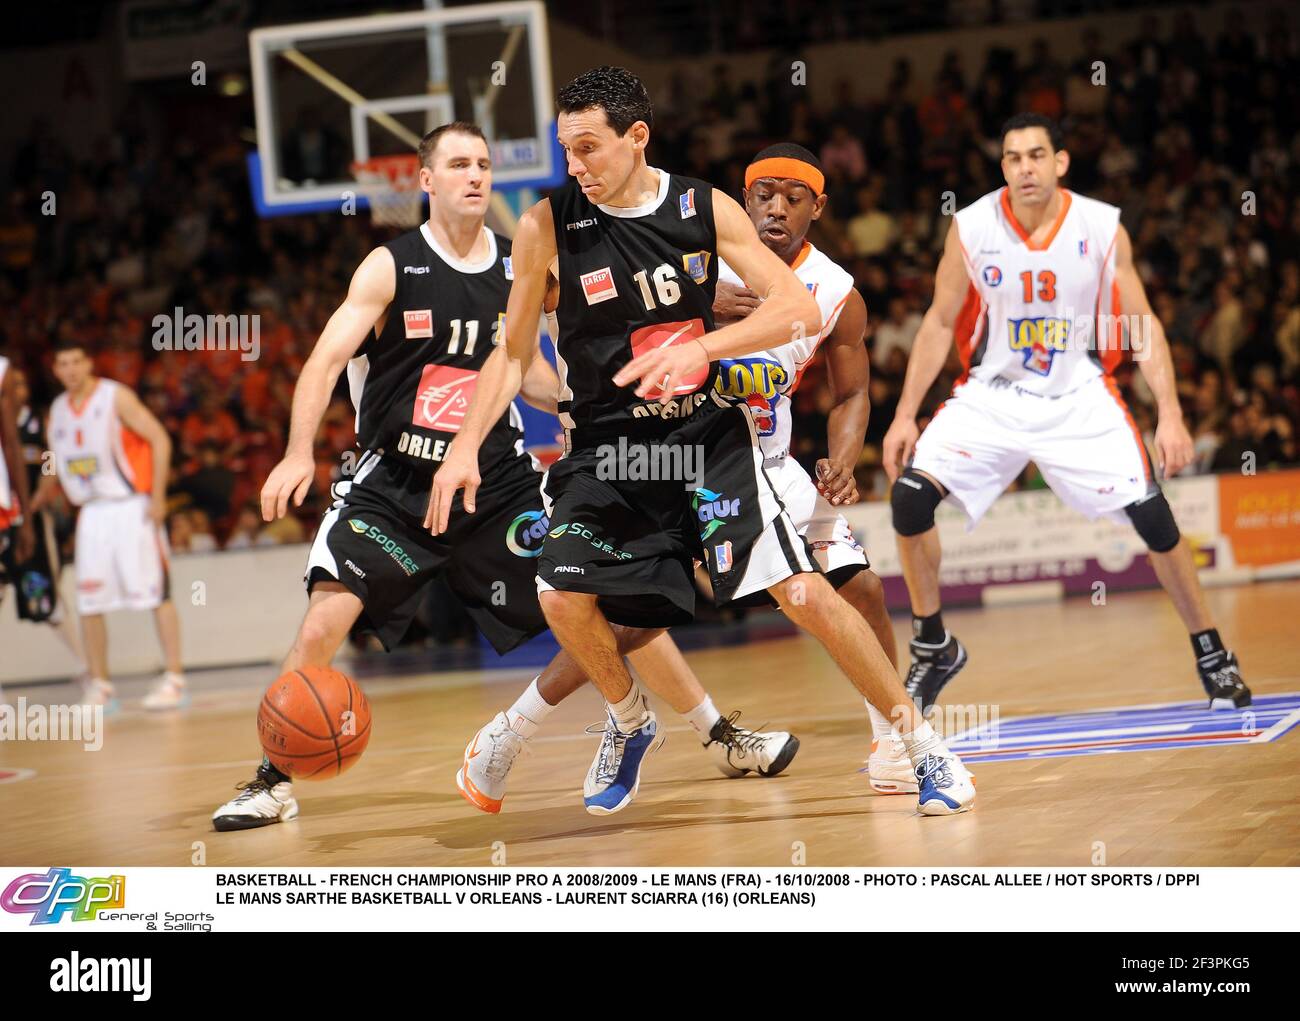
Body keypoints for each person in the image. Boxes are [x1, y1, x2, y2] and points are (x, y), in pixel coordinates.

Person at [211, 122, 792, 831]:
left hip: (497, 486)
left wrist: (644, 375)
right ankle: (271, 777)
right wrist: (300, 449)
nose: (476, 176)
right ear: (425, 181)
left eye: (484, 163)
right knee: (322, 624)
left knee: (610, 606)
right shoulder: (389, 267)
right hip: (395, 488)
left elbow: (547, 371)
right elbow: (325, 360)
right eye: (458, 164)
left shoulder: (525, 264)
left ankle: (717, 735)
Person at [432, 67, 976, 816]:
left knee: (803, 589)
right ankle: (629, 719)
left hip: (703, 433)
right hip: (607, 445)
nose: (575, 165)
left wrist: (703, 353)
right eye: (566, 150)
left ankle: (925, 750)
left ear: (636, 137)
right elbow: (510, 349)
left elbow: (793, 311)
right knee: (560, 595)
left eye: (588, 147)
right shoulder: (545, 226)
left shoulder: (702, 206)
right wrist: (465, 444)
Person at [880, 112, 1251, 714]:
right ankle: (932, 644)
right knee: (909, 499)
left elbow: (1144, 323)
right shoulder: (972, 226)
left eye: (1035, 155)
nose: (1024, 167)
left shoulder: (1101, 226)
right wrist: (903, 414)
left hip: (1078, 390)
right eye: (1011, 158)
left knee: (1154, 518)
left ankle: (1211, 651)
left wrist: (1172, 412)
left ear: (1060, 162)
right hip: (993, 392)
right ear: (1002, 166)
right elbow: (940, 321)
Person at [30, 341, 186, 711]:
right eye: (62, 363)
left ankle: (175, 678)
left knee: (156, 595)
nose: (69, 369)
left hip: (132, 506)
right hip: (92, 513)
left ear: (88, 363)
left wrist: (159, 496)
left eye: (75, 361)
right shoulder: (56, 411)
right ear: (55, 370)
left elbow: (160, 439)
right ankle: (100, 686)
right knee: (89, 601)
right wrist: (34, 498)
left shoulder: (116, 397)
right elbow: (52, 460)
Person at [0, 361, 89, 693]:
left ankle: (87, 667)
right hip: (6, 512)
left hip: (31, 518)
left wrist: (34, 501)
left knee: (46, 598)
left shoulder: (40, 424)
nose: (17, 390)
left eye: (23, 385)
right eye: (14, 384)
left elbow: (53, 463)